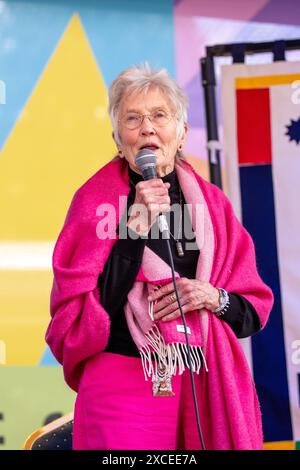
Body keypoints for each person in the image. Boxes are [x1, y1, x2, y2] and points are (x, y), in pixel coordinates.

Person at [46, 64, 273, 450]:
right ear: (119, 140)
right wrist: (134, 226)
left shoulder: (214, 206)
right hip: (120, 379)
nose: (147, 128)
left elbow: (251, 311)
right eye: (132, 119)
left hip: (203, 380)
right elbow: (79, 314)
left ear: (181, 133)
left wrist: (212, 297)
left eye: (159, 116)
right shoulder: (92, 202)